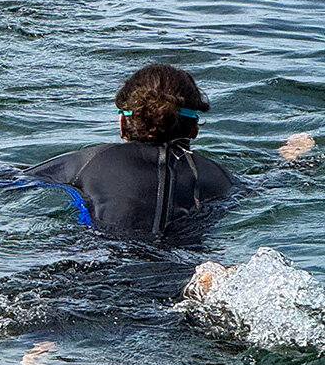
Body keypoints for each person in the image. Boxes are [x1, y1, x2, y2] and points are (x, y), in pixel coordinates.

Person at [24, 63, 234, 236]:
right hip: (186, 271)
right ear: (194, 129)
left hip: (102, 261)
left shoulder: (90, 161)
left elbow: (8, 179)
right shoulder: (220, 178)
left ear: (123, 124)